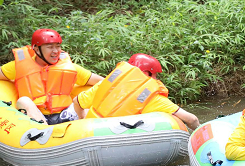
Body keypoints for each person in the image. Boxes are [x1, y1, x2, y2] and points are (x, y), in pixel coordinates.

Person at [0, 28, 103, 125]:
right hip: (38, 117)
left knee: (82, 101)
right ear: (36, 49)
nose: (55, 51)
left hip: (65, 114)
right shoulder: (19, 67)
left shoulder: (70, 68)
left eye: (58, 47)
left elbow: (101, 82)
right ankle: (44, 134)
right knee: (23, 101)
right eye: (50, 47)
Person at [71, 53, 200, 130]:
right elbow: (191, 119)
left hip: (91, 131)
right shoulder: (151, 97)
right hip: (118, 139)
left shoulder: (105, 85)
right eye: (155, 75)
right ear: (146, 73)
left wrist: (82, 118)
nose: (157, 78)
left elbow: (77, 101)